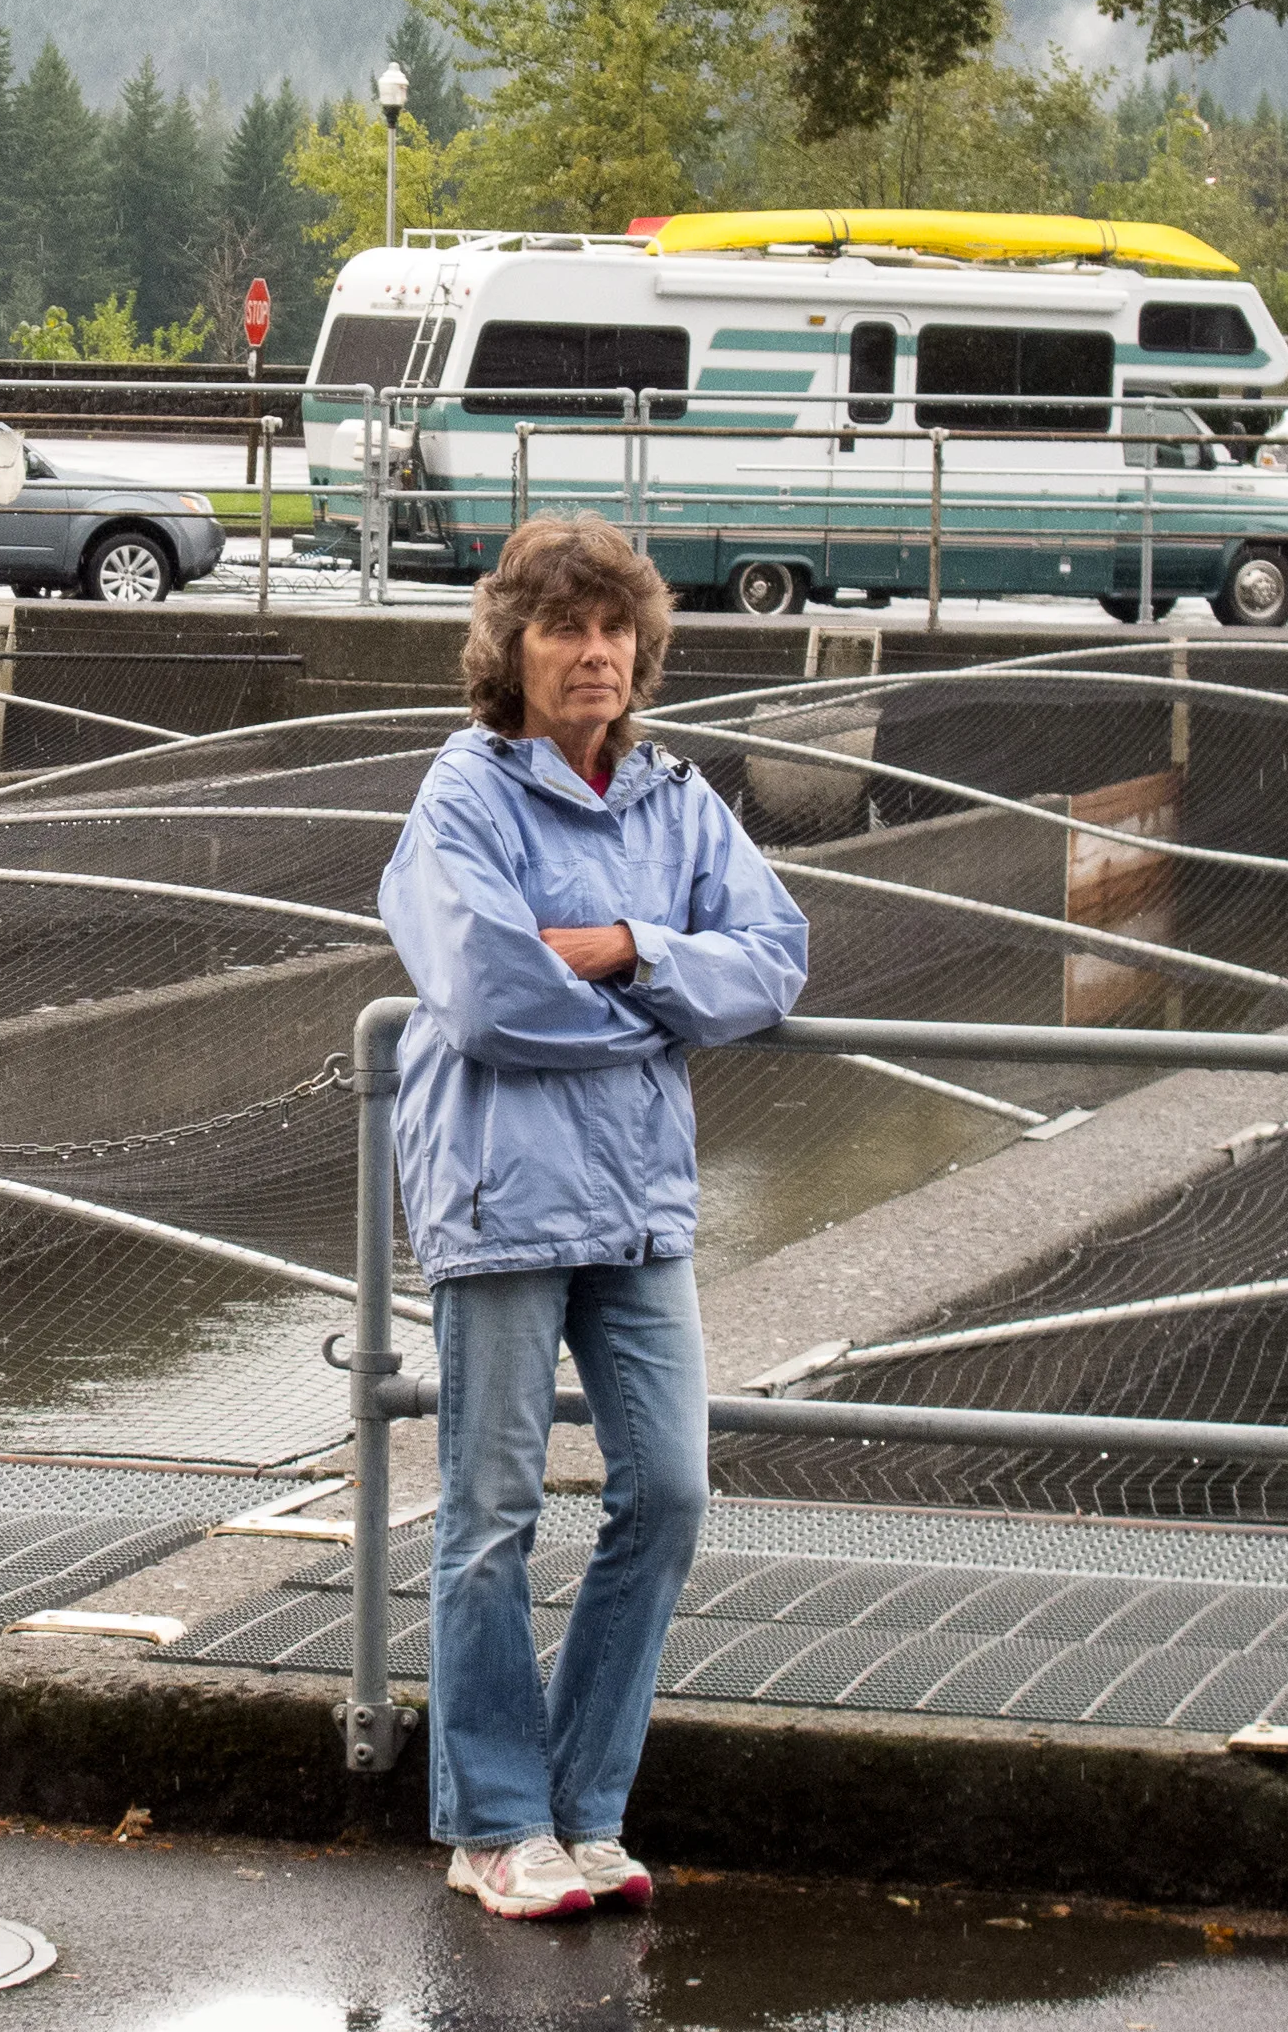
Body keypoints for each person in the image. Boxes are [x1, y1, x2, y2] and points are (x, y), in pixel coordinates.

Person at [375, 515, 810, 1920]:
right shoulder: (461, 797)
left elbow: (775, 958)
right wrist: (660, 1011)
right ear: (511, 650)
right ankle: (493, 1820)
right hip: (499, 1194)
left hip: (638, 1203)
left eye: (614, 629)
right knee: (489, 1509)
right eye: (564, 628)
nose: (595, 653)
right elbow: (490, 993)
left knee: (670, 1490)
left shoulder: (675, 799)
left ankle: (581, 1803)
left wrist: (630, 948)